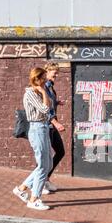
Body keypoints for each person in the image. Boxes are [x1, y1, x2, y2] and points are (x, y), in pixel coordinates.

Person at [12, 67, 53, 210]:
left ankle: (21, 189)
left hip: (43, 127)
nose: (46, 80)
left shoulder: (38, 92)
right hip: (37, 129)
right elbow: (45, 109)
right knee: (43, 165)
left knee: (48, 163)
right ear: (37, 79)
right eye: (44, 78)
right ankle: (34, 199)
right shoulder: (30, 93)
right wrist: (43, 91)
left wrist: (43, 92)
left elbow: (50, 105)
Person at [43, 62, 65, 192]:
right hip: (46, 125)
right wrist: (56, 123)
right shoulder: (44, 87)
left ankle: (45, 179)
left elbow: (50, 103)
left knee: (60, 151)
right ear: (47, 71)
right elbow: (44, 107)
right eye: (54, 72)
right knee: (45, 156)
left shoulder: (50, 86)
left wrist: (57, 102)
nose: (56, 74)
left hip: (51, 125)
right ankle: (39, 184)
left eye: (57, 72)